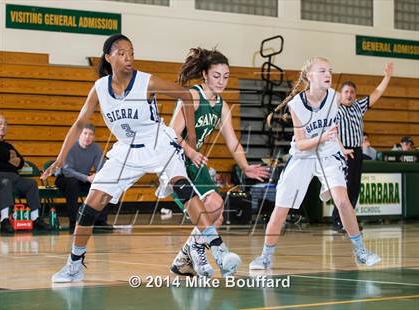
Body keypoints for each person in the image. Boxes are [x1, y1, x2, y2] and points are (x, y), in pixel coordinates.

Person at [42, 34, 239, 282]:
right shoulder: (100, 88)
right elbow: (80, 122)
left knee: (182, 187)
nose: (128, 57)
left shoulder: (145, 81)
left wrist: (188, 143)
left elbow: (186, 96)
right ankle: (74, 264)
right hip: (126, 149)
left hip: (158, 141)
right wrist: (60, 158)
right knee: (91, 205)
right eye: (122, 53)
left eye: (132, 52)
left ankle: (219, 250)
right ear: (108, 57)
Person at [249, 57, 381, 270]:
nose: (328, 74)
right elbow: (301, 144)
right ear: (310, 76)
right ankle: (265, 256)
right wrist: (323, 138)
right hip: (302, 156)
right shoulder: (296, 105)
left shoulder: (335, 97)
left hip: (328, 155)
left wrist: (340, 146)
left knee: (343, 201)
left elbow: (333, 127)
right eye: (322, 71)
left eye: (330, 70)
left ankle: (361, 252)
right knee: (281, 209)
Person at [169, 48, 269, 277]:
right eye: (216, 75)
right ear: (204, 74)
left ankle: (183, 259)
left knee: (218, 215)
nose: (222, 81)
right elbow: (171, 134)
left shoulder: (221, 106)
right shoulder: (193, 96)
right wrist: (190, 152)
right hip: (174, 162)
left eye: (226, 76)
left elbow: (233, 142)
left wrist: (245, 167)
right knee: (213, 205)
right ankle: (202, 251)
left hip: (194, 163)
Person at [333, 62, 393, 232]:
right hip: (342, 151)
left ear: (355, 94)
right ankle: (338, 220)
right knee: (343, 188)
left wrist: (387, 76)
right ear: (341, 94)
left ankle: (349, 221)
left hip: (357, 151)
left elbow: (377, 92)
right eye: (346, 92)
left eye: (352, 92)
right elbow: (332, 132)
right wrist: (340, 149)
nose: (349, 94)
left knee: (354, 188)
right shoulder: (335, 109)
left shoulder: (359, 107)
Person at [55, 123, 110, 234]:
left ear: (93, 137)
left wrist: (97, 177)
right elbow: (67, 171)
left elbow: (102, 166)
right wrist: (87, 178)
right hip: (64, 178)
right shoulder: (70, 146)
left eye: (91, 134)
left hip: (83, 179)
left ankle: (100, 221)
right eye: (85, 133)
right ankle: (74, 220)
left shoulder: (95, 148)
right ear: (79, 135)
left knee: (103, 184)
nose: (87, 137)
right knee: (72, 183)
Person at [0, 115, 50, 233]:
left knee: (31, 183)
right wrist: (9, 157)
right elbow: (5, 157)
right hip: (1, 178)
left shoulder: (9, 146)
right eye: (0, 123)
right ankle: (4, 219)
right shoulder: (8, 150)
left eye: (5, 124)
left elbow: (21, 162)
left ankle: (35, 218)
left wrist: (7, 158)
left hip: (15, 178)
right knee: (5, 183)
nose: (3, 126)